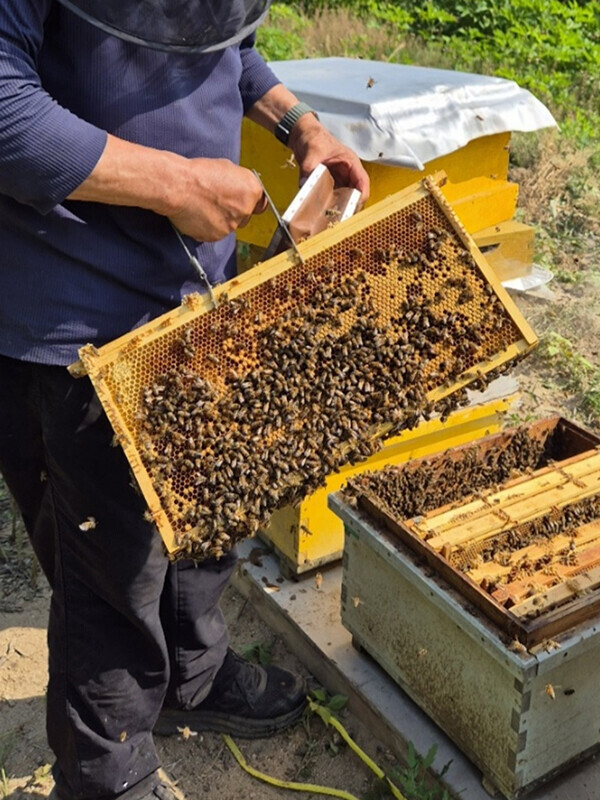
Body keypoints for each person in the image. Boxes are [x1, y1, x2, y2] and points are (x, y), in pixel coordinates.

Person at [0, 2, 370, 799]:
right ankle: (110, 777)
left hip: (191, 283)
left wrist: (296, 120)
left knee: (205, 502)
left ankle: (188, 680)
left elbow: (218, 41)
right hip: (72, 310)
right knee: (110, 574)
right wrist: (176, 183)